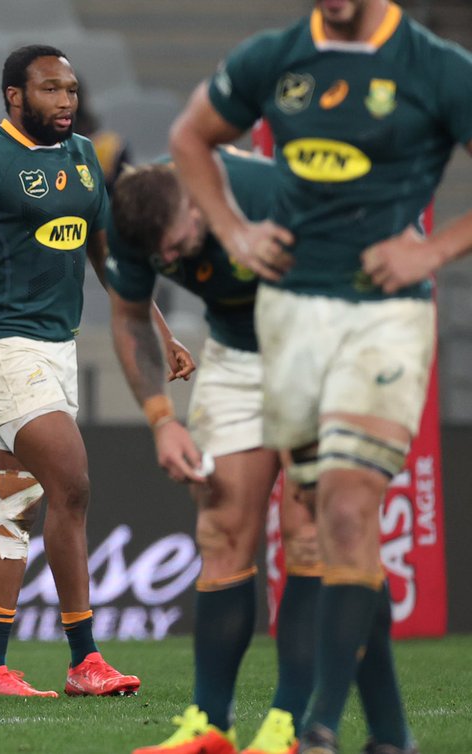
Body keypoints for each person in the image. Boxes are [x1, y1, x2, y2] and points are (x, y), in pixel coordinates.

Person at [168, 1, 472, 752]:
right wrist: (235, 229)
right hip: (291, 317)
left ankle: (320, 728)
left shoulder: (436, 68)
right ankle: (393, 734)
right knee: (340, 528)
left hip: (384, 314)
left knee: (342, 507)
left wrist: (431, 253)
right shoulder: (275, 56)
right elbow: (189, 137)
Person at [0, 44, 191, 700]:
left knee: (17, 507)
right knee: (73, 482)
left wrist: (162, 328)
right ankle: (84, 657)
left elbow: (106, 254)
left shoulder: (84, 158)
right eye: (49, 89)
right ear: (15, 97)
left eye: (70, 89)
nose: (65, 100)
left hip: (57, 347)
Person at [106, 152, 320, 754]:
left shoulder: (270, 198)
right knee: (221, 528)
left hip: (319, 346)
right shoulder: (132, 221)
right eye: (161, 257)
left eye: (178, 246)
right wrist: (160, 421)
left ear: (198, 204)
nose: (171, 262)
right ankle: (209, 725)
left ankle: (289, 725)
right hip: (236, 354)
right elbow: (128, 319)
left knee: (306, 533)